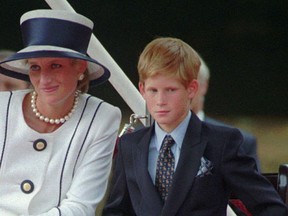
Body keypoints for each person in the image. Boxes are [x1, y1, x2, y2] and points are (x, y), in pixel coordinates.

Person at [102, 37, 288, 215]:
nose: (160, 101)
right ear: (142, 89)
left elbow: (268, 206)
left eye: (171, 90)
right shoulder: (130, 146)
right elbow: (116, 210)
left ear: (192, 89)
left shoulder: (222, 142)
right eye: (153, 90)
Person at [0, 9, 121, 215]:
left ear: (80, 67)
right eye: (35, 67)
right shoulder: (2, 106)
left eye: (55, 66)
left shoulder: (103, 117)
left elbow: (81, 205)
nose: (44, 79)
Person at [190, 56, 261, 171]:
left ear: (204, 85)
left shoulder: (239, 143)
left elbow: (252, 188)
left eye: (190, 85)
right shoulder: (151, 137)